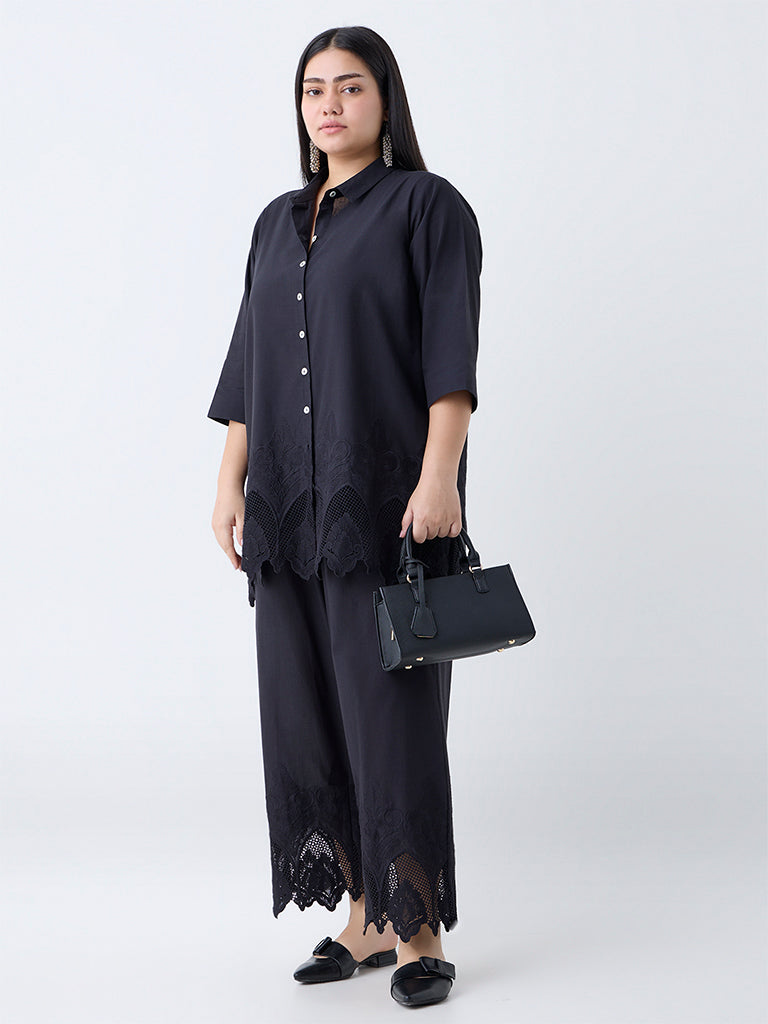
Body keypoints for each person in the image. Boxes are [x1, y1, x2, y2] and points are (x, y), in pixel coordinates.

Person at [208, 25, 481, 1008]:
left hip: (389, 505)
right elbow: (248, 363)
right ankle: (362, 919)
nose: (329, 104)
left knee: (391, 717)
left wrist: (440, 477)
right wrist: (230, 482)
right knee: (308, 715)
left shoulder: (427, 207)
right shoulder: (277, 222)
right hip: (287, 511)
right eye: (313, 89)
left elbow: (450, 354)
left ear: (384, 100)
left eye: (350, 86)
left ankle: (417, 932)